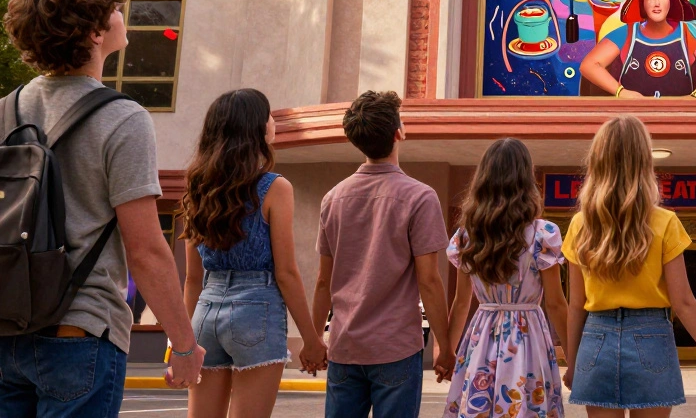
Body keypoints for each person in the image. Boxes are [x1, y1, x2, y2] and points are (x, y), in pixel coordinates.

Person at [0, 0, 205, 416]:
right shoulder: (122, 118)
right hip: (80, 334)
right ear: (95, 33)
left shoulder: (4, 111)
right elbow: (147, 250)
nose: (121, 14)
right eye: (114, 8)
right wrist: (185, 345)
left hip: (5, 329)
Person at [562, 115, 696, 415]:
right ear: (643, 162)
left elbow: (576, 305)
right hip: (652, 339)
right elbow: (684, 302)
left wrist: (573, 364)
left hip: (595, 340)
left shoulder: (580, 225)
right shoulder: (664, 222)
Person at [180, 89, 328, 418]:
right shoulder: (274, 187)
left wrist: (184, 342)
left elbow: (192, 278)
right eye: (269, 116)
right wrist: (311, 339)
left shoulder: (197, 185)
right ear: (256, 129)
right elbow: (286, 273)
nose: (273, 122)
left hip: (206, 309)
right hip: (256, 311)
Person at [311, 90, 452, 418]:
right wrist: (444, 346)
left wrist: (315, 337)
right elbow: (429, 281)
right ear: (398, 132)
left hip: (344, 344)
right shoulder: (420, 197)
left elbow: (323, 282)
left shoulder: (333, 198)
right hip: (396, 347)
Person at [443, 138, 569, 418]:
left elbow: (461, 304)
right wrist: (573, 358)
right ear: (526, 179)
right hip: (529, 339)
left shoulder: (467, 235)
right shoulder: (542, 234)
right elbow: (557, 304)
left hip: (482, 335)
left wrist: (447, 353)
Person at [580, 0, 696, 99]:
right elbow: (588, 66)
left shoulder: (690, 32)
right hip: (634, 118)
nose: (656, 4)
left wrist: (695, 96)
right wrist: (621, 92)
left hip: (679, 117)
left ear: (671, 2)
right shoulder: (627, 32)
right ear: (643, 3)